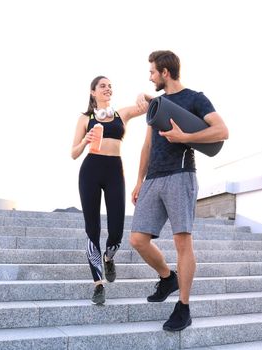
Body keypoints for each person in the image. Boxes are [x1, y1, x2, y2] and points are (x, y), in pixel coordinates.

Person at [129, 50, 229, 331]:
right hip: (153, 179)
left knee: (182, 243)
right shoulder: (157, 103)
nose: (150, 77)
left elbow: (222, 131)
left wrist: (185, 137)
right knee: (137, 239)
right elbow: (147, 145)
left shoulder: (195, 98)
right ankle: (167, 277)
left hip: (180, 176)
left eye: (152, 72)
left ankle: (183, 307)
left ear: (165, 72)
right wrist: (139, 180)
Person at [71, 75, 146, 305]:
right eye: (102, 86)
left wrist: (142, 96)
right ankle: (98, 285)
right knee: (92, 229)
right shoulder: (85, 118)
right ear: (92, 92)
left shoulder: (121, 114)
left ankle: (109, 257)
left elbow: (146, 106)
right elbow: (73, 153)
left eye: (110, 86)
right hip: (91, 170)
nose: (107, 88)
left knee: (116, 230)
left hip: (115, 171)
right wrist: (85, 140)